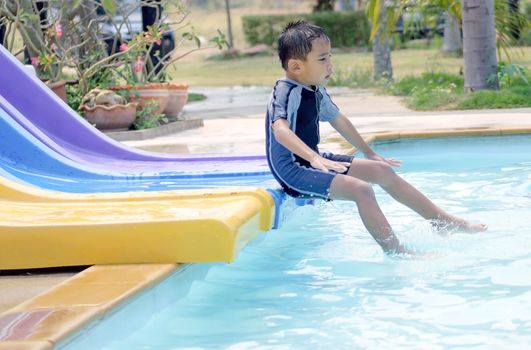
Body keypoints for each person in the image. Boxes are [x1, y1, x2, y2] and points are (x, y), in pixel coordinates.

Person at [265, 21, 487, 255]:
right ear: (296, 66)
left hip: (313, 160)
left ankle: (441, 222)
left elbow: (338, 119)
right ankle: (397, 251)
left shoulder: (314, 89)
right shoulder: (286, 91)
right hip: (291, 170)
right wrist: (313, 157)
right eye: (322, 59)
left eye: (330, 57)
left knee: (383, 172)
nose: (330, 65)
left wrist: (369, 152)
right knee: (362, 190)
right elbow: (280, 130)